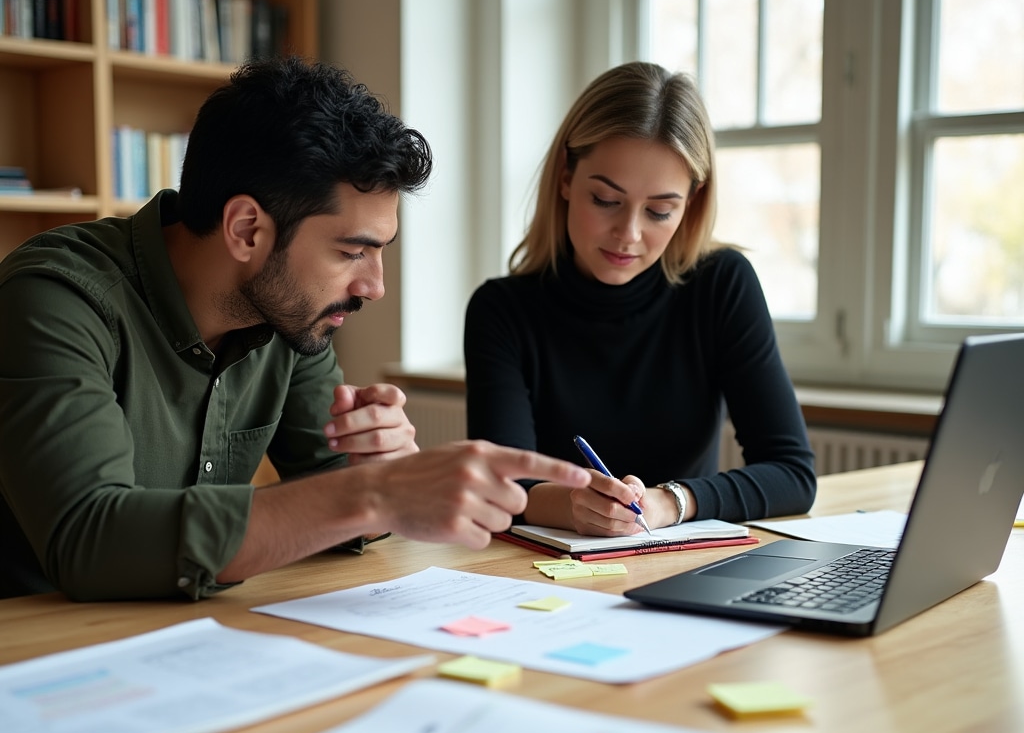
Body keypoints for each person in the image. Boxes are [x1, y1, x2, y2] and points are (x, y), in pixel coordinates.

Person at [0, 56, 589, 600]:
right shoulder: (55, 301)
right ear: (247, 229)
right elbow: (89, 540)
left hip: (192, 641)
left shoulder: (289, 318)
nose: (373, 287)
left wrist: (381, 471)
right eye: (351, 252)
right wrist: (373, 496)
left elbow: (334, 497)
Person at [464, 61, 815, 537]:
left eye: (659, 211)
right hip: (546, 578)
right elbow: (499, 486)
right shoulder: (501, 310)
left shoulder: (721, 284)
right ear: (566, 178)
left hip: (683, 565)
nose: (628, 234)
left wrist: (671, 502)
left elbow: (793, 474)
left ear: (691, 202)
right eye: (606, 201)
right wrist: (575, 505)